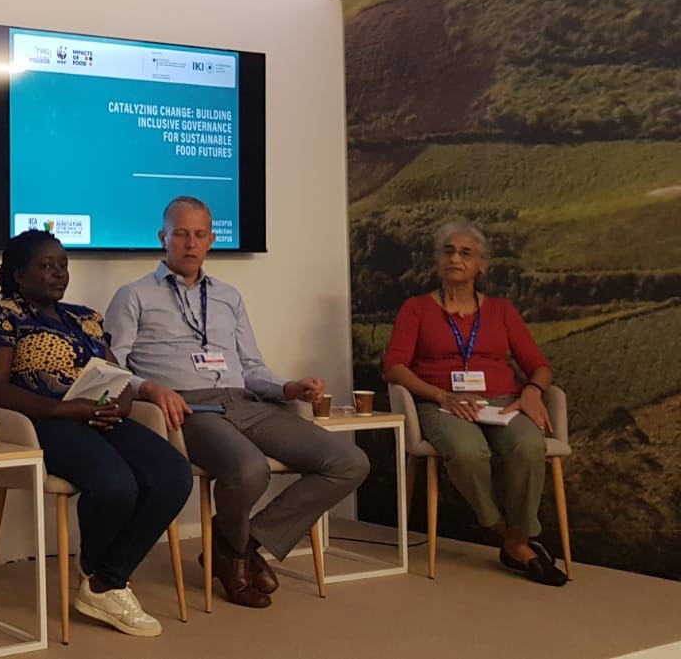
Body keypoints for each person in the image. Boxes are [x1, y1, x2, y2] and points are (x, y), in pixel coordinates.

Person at [104, 196, 368, 609]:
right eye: (181, 234)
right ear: (163, 238)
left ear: (211, 240)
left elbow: (251, 366)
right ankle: (236, 553)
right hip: (188, 409)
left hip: (244, 401)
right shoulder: (133, 295)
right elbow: (112, 367)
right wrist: (149, 389)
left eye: (199, 235)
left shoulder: (229, 296)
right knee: (249, 470)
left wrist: (288, 388)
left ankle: (236, 548)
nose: (190, 244)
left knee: (349, 462)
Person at [0, 230, 192, 638]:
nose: (58, 273)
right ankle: (107, 581)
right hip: (41, 424)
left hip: (97, 417)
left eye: (63, 265)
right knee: (116, 485)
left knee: (174, 473)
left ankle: (103, 576)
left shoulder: (85, 318)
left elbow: (117, 377)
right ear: (18, 275)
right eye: (46, 265)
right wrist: (65, 409)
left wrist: (114, 406)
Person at [382, 221, 566, 586]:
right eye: (448, 251)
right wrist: (442, 396)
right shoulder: (416, 309)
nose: (456, 258)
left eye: (466, 253)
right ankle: (506, 534)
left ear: (481, 265)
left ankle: (520, 537)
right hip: (442, 403)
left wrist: (531, 392)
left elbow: (540, 366)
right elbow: (394, 367)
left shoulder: (501, 311)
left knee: (529, 446)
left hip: (503, 401)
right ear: (437, 261)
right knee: (467, 452)